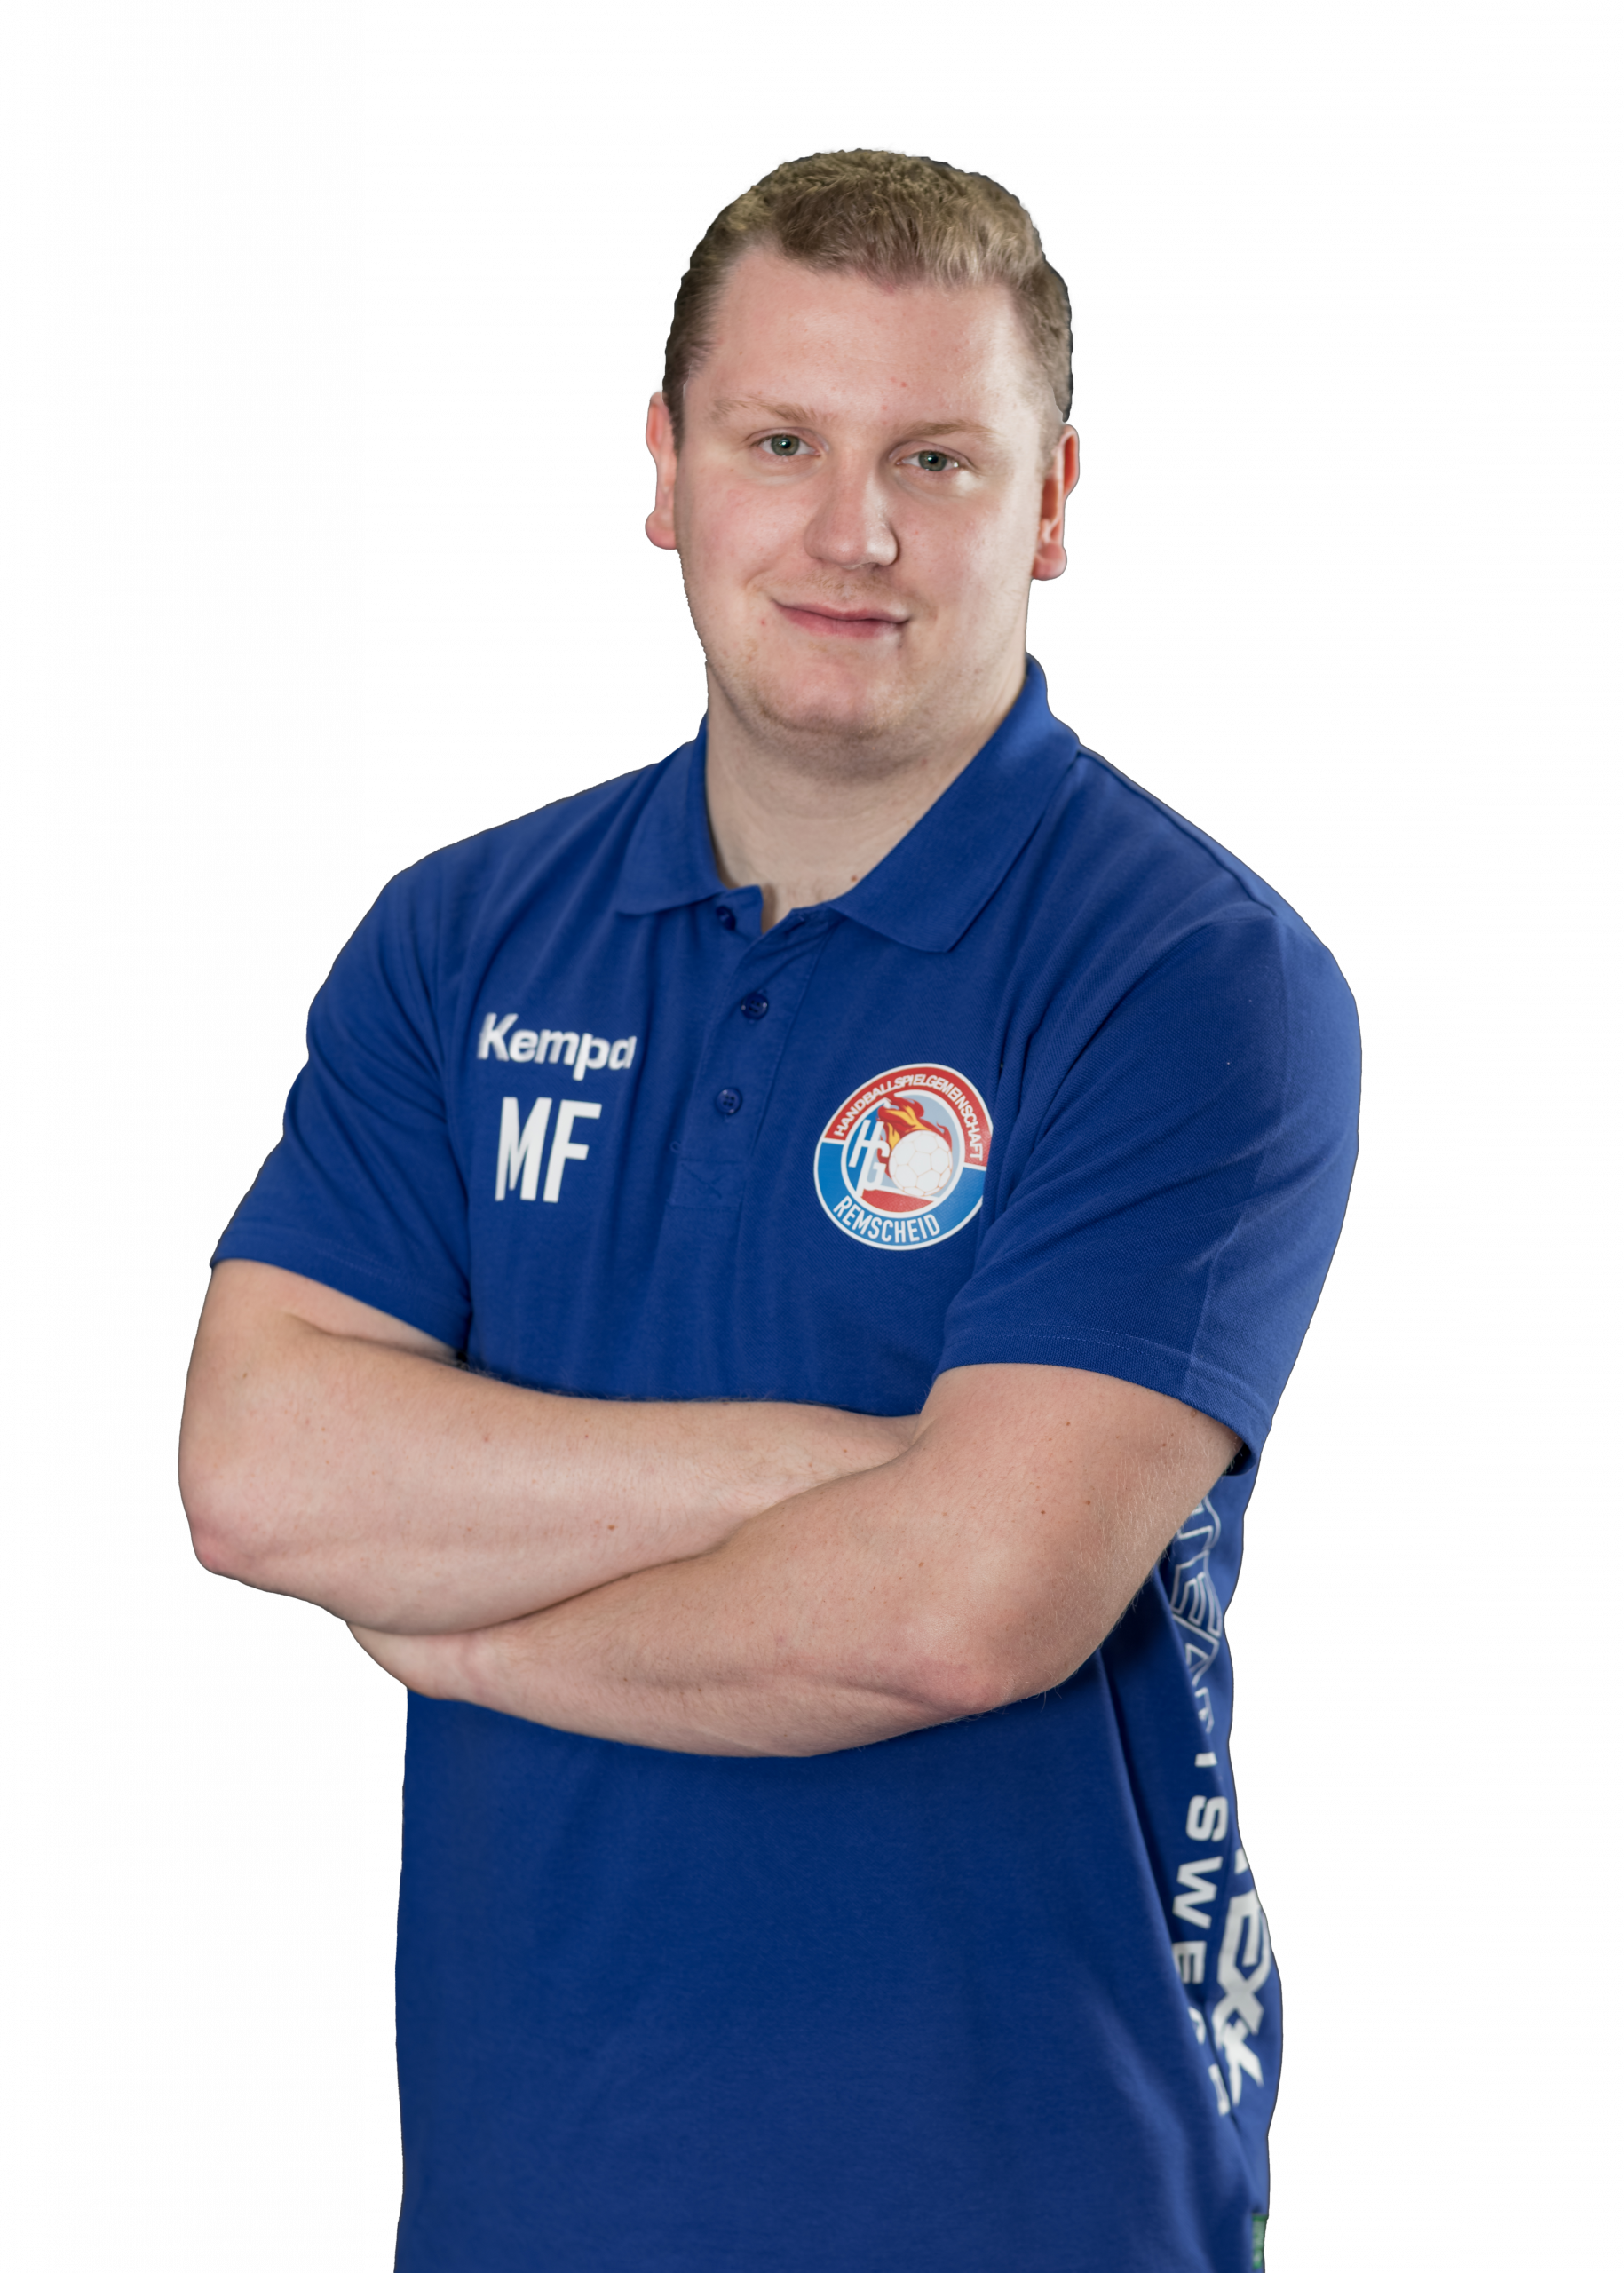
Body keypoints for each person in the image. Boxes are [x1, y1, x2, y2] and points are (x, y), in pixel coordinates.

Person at [179, 147, 1359, 2272]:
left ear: (1050, 500)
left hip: (1031, 2201)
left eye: (933, 456)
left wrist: (458, 1624)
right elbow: (260, 1471)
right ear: (663, 471)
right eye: (780, 442)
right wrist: (836, 1468)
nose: (852, 533)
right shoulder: (457, 937)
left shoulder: (1194, 977)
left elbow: (964, 1608)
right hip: (526, 2202)